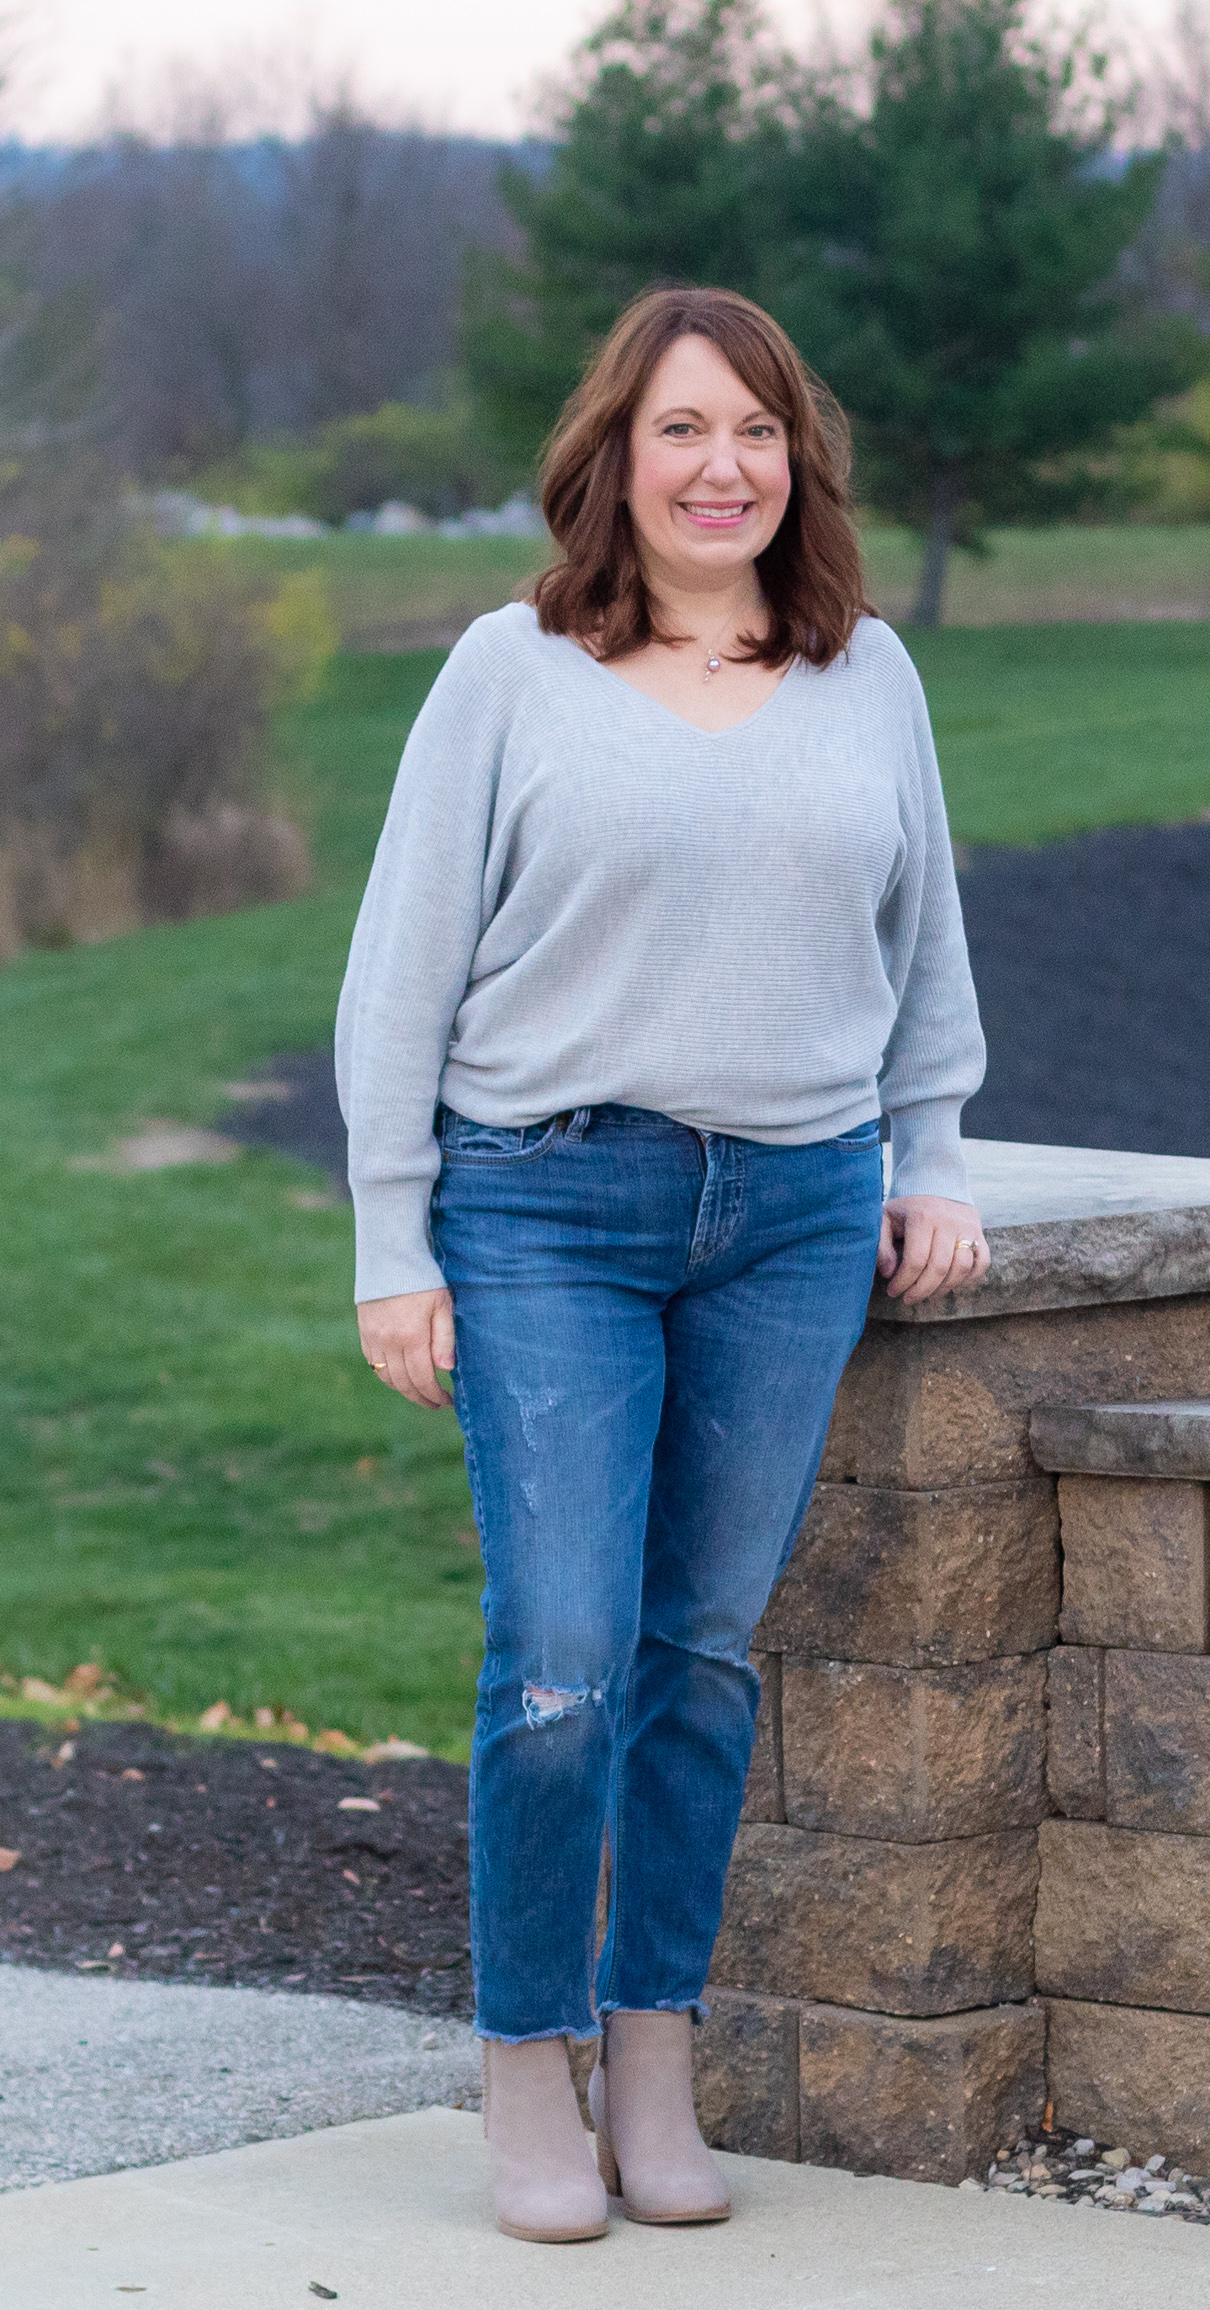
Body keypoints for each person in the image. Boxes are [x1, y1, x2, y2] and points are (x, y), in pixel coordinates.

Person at [335, 285, 988, 2245]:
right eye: (683, 431)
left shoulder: (866, 671)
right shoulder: (505, 672)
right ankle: (524, 2065)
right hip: (544, 1212)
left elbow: (923, 946)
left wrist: (927, 1153)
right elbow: (398, 974)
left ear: (800, 461)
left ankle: (651, 2054)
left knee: (697, 1660)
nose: (724, 468)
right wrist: (390, 1235)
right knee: (560, 1663)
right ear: (613, 458)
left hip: (791, 1220)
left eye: (758, 432)